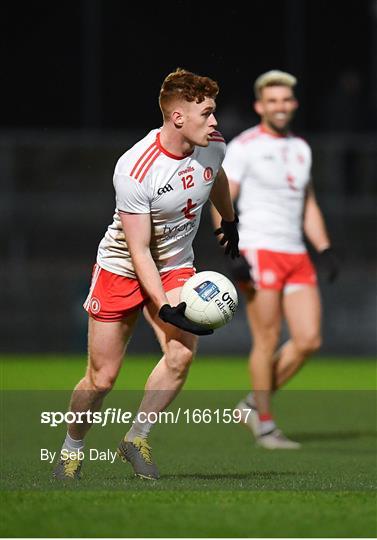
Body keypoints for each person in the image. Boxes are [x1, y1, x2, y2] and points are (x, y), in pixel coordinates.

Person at [53, 68, 239, 480]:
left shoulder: (213, 146)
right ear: (177, 118)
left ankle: (135, 437)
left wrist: (229, 218)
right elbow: (138, 250)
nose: (215, 122)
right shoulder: (136, 168)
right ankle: (71, 449)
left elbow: (216, 176)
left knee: (181, 355)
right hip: (122, 268)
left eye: (214, 113)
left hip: (174, 265)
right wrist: (164, 307)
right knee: (102, 379)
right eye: (206, 113)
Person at [213, 70, 339, 449]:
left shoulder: (301, 148)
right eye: (272, 100)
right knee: (266, 339)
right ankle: (265, 424)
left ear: (294, 103)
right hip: (258, 249)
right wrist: (232, 252)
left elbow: (308, 204)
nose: (280, 106)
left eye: (286, 99)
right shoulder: (244, 146)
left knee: (309, 340)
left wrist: (325, 248)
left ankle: (252, 404)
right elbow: (222, 202)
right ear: (260, 106)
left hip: (296, 253)